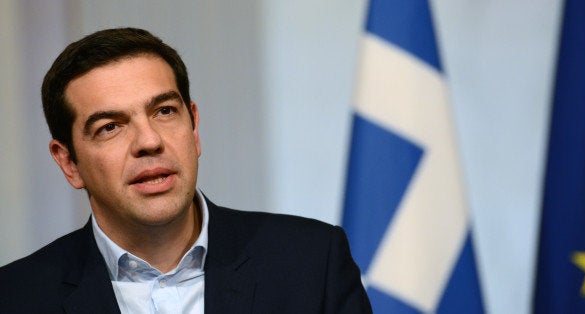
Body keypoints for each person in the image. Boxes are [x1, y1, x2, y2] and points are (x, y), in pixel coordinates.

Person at [0, 27, 371, 313]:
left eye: (164, 111)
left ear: (193, 127)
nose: (149, 141)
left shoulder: (311, 261)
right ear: (68, 161)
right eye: (110, 127)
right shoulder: (17, 297)